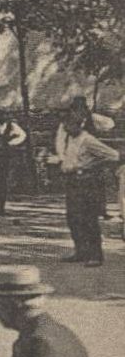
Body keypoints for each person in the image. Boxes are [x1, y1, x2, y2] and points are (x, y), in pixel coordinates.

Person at [46, 97, 119, 266]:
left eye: (69, 125)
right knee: (73, 218)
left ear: (79, 124)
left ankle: (95, 255)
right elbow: (67, 157)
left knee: (89, 218)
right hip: (73, 181)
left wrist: (91, 165)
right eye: (65, 125)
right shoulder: (71, 138)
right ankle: (81, 251)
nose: (66, 128)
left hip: (86, 181)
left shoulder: (88, 140)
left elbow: (113, 155)